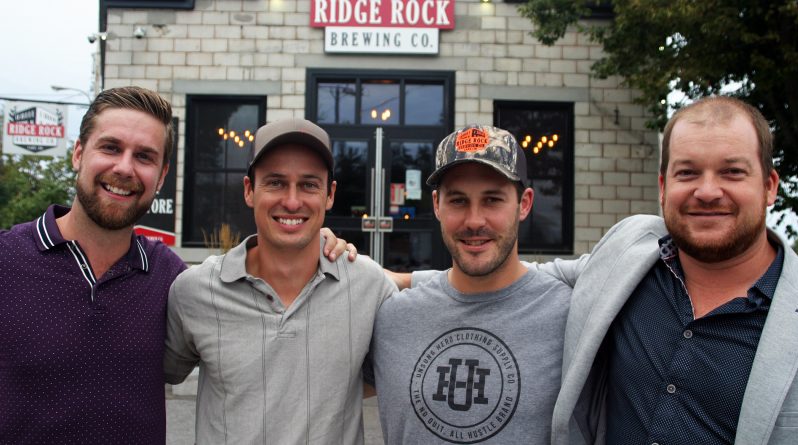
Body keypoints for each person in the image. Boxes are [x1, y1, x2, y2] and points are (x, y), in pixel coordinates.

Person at [547, 96, 798, 445]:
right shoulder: (629, 254)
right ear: (664, 187)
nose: (708, 191)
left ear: (770, 186)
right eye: (688, 172)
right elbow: (530, 280)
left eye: (732, 172)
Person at [163, 118, 396, 444]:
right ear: (249, 190)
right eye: (275, 182)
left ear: (329, 196)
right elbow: (153, 377)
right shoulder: (195, 291)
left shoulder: (368, 286)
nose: (291, 201)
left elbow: (450, 294)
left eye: (309, 185)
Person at [0, 86, 186, 443]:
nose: (124, 168)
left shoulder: (172, 279)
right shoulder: (7, 260)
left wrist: (318, 248)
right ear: (78, 154)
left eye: (144, 157)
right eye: (111, 147)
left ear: (161, 178)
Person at [365, 125, 572, 444]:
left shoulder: (572, 317)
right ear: (436, 204)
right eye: (458, 201)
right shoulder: (390, 317)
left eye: (492, 200)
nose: (474, 221)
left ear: (525, 203)